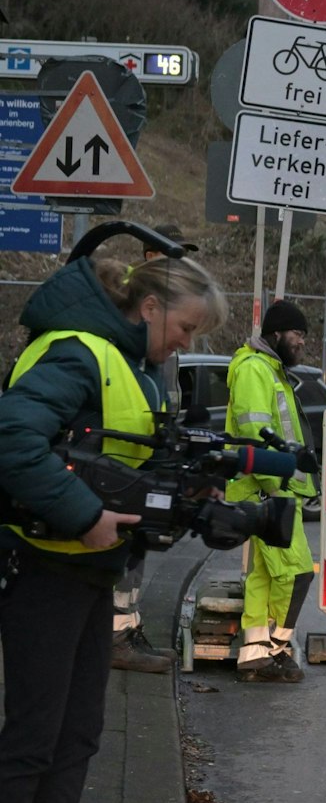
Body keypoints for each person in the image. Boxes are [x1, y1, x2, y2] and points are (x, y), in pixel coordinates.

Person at [0, 246, 226, 803]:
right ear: (150, 306)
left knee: (77, 738)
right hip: (43, 566)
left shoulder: (137, 368)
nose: (186, 343)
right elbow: (12, 440)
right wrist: (84, 515)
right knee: (34, 740)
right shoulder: (79, 352)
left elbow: (124, 462)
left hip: (86, 572)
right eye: (185, 327)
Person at [107, 225, 200, 676]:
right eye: (173, 256)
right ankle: (117, 636)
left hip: (151, 439)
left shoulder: (163, 307)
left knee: (138, 542)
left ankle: (125, 628)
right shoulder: (137, 305)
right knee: (129, 539)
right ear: (149, 254)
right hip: (133, 445)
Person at [226, 300, 320, 685]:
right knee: (297, 572)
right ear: (277, 333)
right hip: (266, 490)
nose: (301, 343)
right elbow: (253, 434)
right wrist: (273, 487)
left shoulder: (271, 371)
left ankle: (254, 654)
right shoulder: (254, 370)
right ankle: (278, 649)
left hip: (272, 489)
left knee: (263, 576)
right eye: (297, 334)